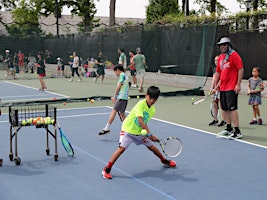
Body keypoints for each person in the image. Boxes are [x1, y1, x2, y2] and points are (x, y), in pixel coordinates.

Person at [101, 86, 176, 179]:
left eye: (155, 99)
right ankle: (106, 169)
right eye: (151, 98)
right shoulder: (141, 104)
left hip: (139, 132)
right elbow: (140, 120)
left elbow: (144, 123)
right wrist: (149, 134)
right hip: (127, 130)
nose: (152, 101)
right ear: (146, 96)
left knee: (152, 147)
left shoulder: (152, 110)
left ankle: (164, 160)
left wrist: (148, 135)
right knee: (121, 149)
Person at [214, 37, 244, 139]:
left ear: (228, 45)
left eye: (224, 44)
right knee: (224, 108)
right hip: (223, 87)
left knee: (232, 109)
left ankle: (237, 131)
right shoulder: (221, 57)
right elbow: (218, 72)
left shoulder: (234, 55)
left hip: (231, 87)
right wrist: (216, 84)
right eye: (221, 45)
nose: (222, 46)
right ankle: (228, 128)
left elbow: (240, 69)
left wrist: (238, 84)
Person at [99, 64, 129, 135]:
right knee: (122, 114)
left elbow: (119, 86)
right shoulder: (126, 76)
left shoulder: (122, 75)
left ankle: (107, 128)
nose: (115, 74)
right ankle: (129, 128)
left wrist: (114, 96)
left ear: (118, 70)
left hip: (121, 97)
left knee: (114, 111)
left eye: (115, 72)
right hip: (124, 98)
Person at [209, 56, 226, 127]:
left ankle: (224, 121)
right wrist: (211, 88)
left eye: (217, 60)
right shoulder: (214, 69)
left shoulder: (223, 69)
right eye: (215, 60)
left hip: (222, 89)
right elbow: (213, 79)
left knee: (222, 105)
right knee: (215, 104)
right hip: (215, 90)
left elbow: (221, 80)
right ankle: (215, 120)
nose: (216, 61)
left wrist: (216, 88)